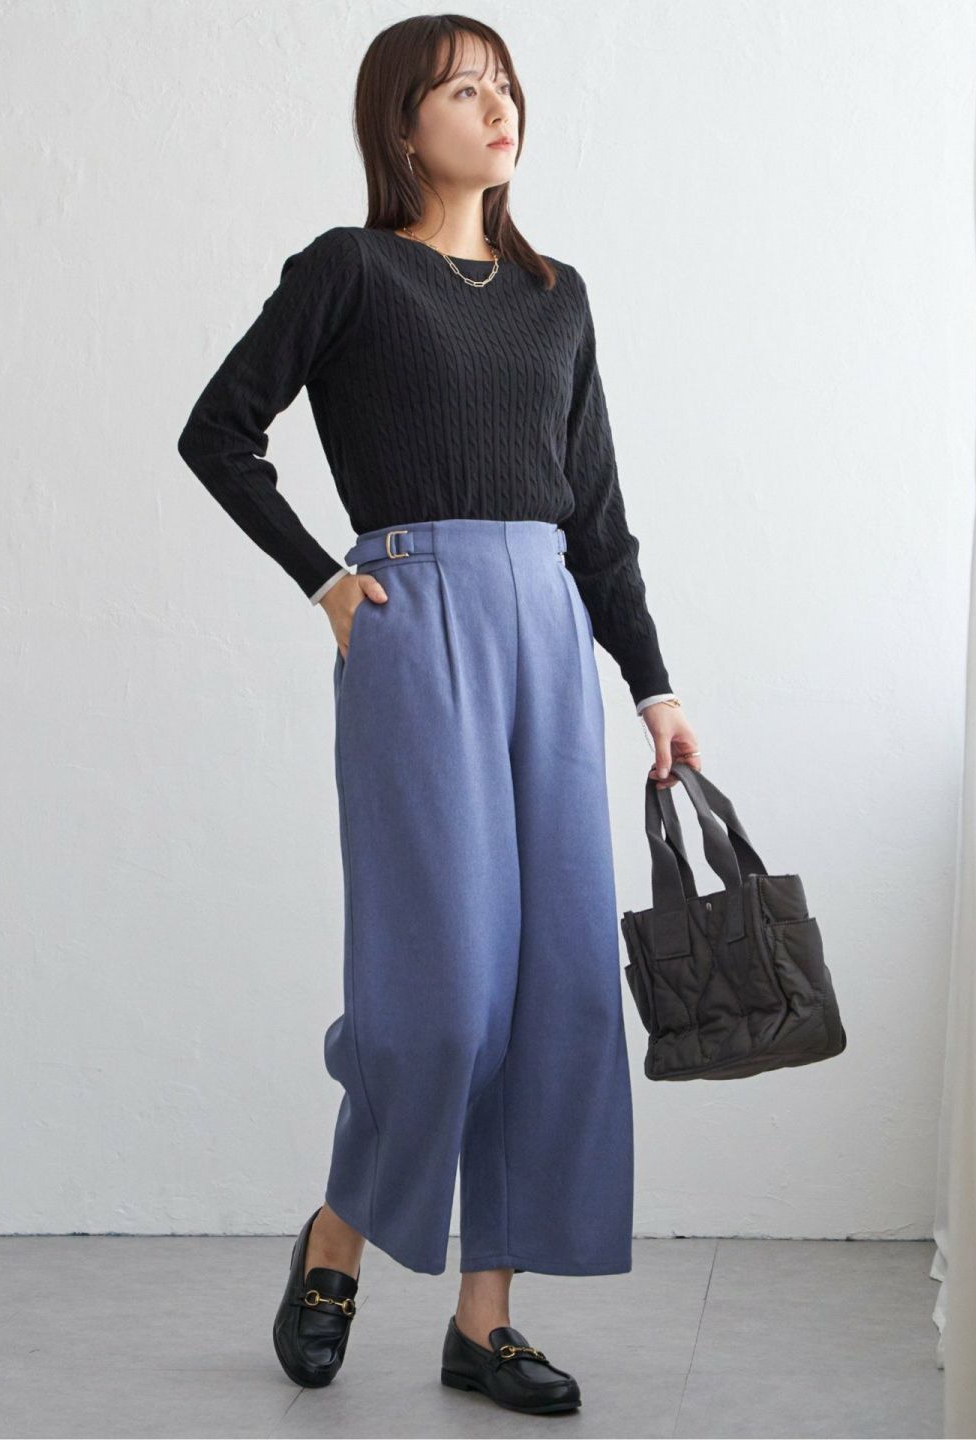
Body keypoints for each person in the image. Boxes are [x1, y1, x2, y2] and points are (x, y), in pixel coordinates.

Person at [176, 13, 702, 1417]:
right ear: (402, 127)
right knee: (442, 996)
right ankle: (338, 1237)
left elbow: (598, 518)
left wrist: (652, 685)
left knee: (560, 988)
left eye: (504, 84)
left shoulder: (556, 297)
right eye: (462, 89)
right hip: (419, 628)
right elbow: (218, 432)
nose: (496, 106)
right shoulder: (349, 271)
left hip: (550, 630)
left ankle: (486, 1323)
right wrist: (326, 583)